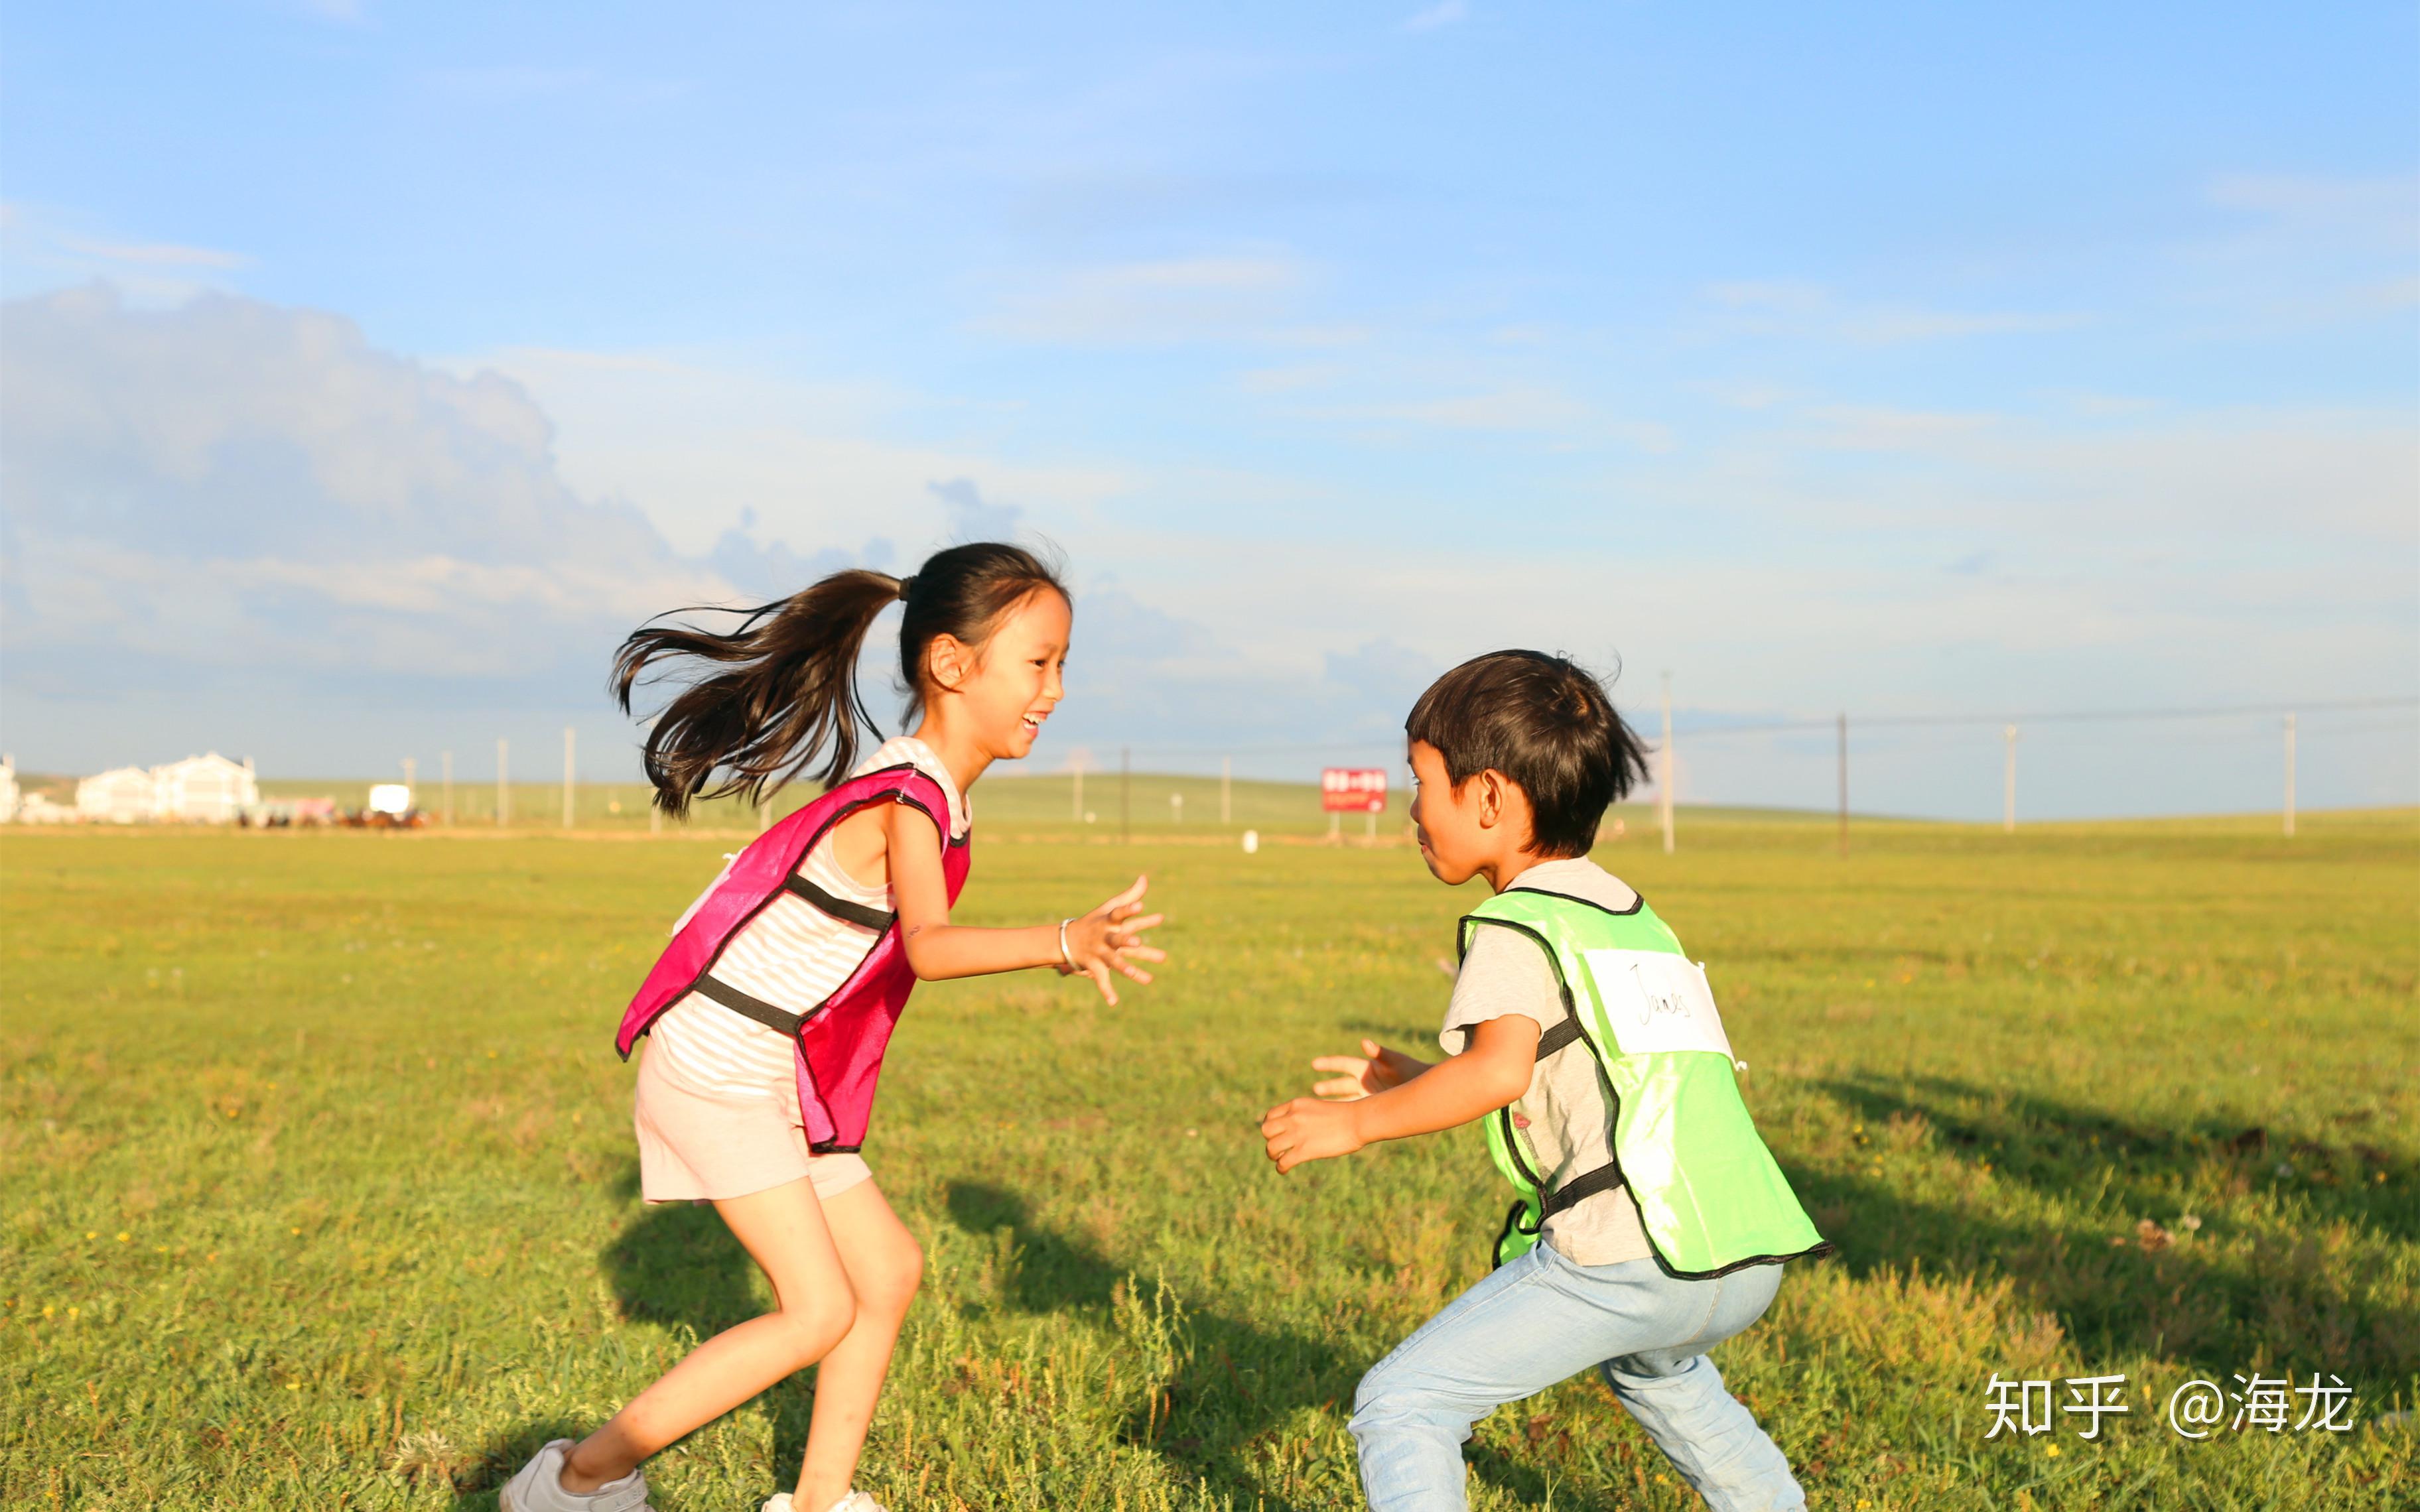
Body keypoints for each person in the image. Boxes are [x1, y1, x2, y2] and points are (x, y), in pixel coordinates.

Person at [504, 544, 1166, 1512]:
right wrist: (1064, 940)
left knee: (887, 1270)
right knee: (816, 1310)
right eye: (1038, 662)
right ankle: (573, 1482)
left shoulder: (933, 788)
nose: (1056, 689)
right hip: (723, 1065)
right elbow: (931, 949)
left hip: (773, 1070)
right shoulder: (911, 794)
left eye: (1063, 663)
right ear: (951, 664)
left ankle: (818, 1500)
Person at [1260, 650, 1828, 1512]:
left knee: (1405, 1402)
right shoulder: (1634, 919)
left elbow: (1496, 1072)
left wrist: (1356, 1124)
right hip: (1738, 1250)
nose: (1412, 808)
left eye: (1422, 782)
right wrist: (1417, 1080)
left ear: (1488, 798)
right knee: (1662, 1378)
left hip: (1628, 1254)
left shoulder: (1516, 925)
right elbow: (1583, 1071)